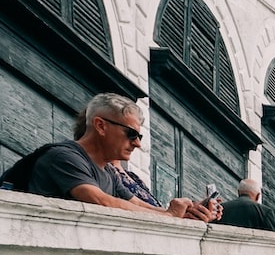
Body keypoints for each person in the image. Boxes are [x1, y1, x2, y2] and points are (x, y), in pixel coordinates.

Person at [22, 93, 214, 220]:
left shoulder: (109, 172)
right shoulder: (64, 157)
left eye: (139, 137)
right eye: (131, 134)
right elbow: (100, 201)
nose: (137, 143)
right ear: (100, 126)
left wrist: (182, 213)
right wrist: (169, 216)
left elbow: (137, 204)